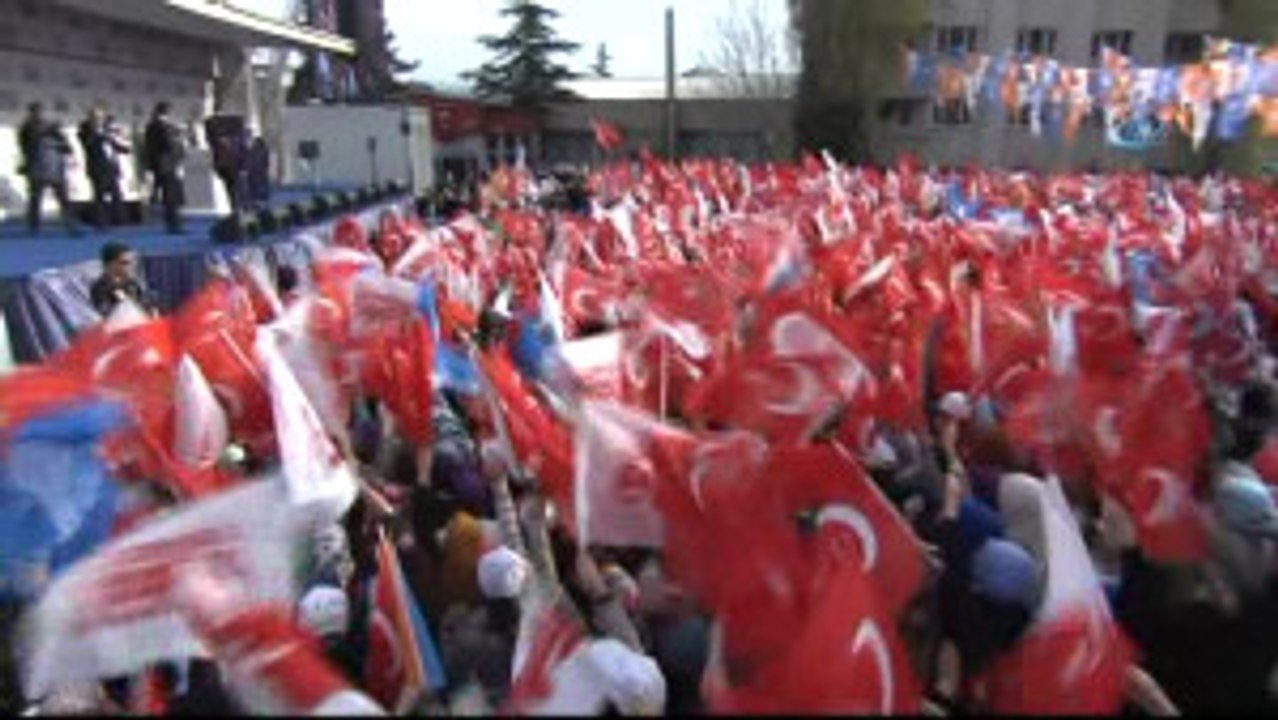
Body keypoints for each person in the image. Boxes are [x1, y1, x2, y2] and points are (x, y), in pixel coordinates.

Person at [17, 103, 78, 236]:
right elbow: (26, 146)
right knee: (35, 199)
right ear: (31, 112)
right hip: (37, 168)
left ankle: (71, 225)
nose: (39, 114)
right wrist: (46, 132)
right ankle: (34, 226)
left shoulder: (53, 128)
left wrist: (60, 141)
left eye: (41, 111)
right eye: (36, 111)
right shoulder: (27, 127)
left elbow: (67, 147)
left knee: (63, 199)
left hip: (55, 168)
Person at [77, 107, 129, 229]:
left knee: (117, 195)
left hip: (111, 167)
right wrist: (98, 133)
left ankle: (119, 221)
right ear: (91, 118)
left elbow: (113, 144)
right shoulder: (84, 131)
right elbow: (88, 144)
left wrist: (124, 148)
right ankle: (101, 223)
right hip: (97, 168)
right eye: (96, 117)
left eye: (101, 117)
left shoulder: (106, 130)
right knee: (99, 196)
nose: (99, 119)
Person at [144, 102, 186, 234]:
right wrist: (179, 145)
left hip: (160, 165)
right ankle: (174, 224)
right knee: (171, 196)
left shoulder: (151, 126)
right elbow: (168, 145)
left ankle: (172, 222)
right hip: (167, 164)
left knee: (169, 195)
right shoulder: (163, 127)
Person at [89, 241, 156, 318]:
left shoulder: (131, 283)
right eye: (124, 263)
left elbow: (144, 304)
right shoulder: (100, 288)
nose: (129, 266)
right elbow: (109, 314)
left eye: (131, 263)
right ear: (110, 264)